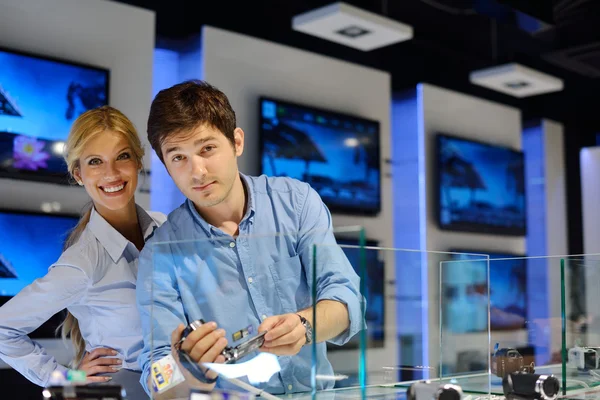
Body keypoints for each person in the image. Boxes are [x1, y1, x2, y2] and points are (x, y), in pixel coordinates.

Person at [136, 80, 363, 397]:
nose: (197, 171)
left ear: (237, 142)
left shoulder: (295, 203)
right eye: (178, 157)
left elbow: (346, 299)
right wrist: (184, 367)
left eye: (207, 149)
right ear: (165, 166)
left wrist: (304, 326)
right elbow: (154, 377)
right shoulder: (160, 254)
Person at [0, 106, 166, 399]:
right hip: (118, 392)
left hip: (173, 385)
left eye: (122, 156)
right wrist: (67, 377)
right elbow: (3, 329)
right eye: (95, 162)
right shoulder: (82, 263)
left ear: (139, 161)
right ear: (78, 174)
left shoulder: (165, 228)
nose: (111, 173)